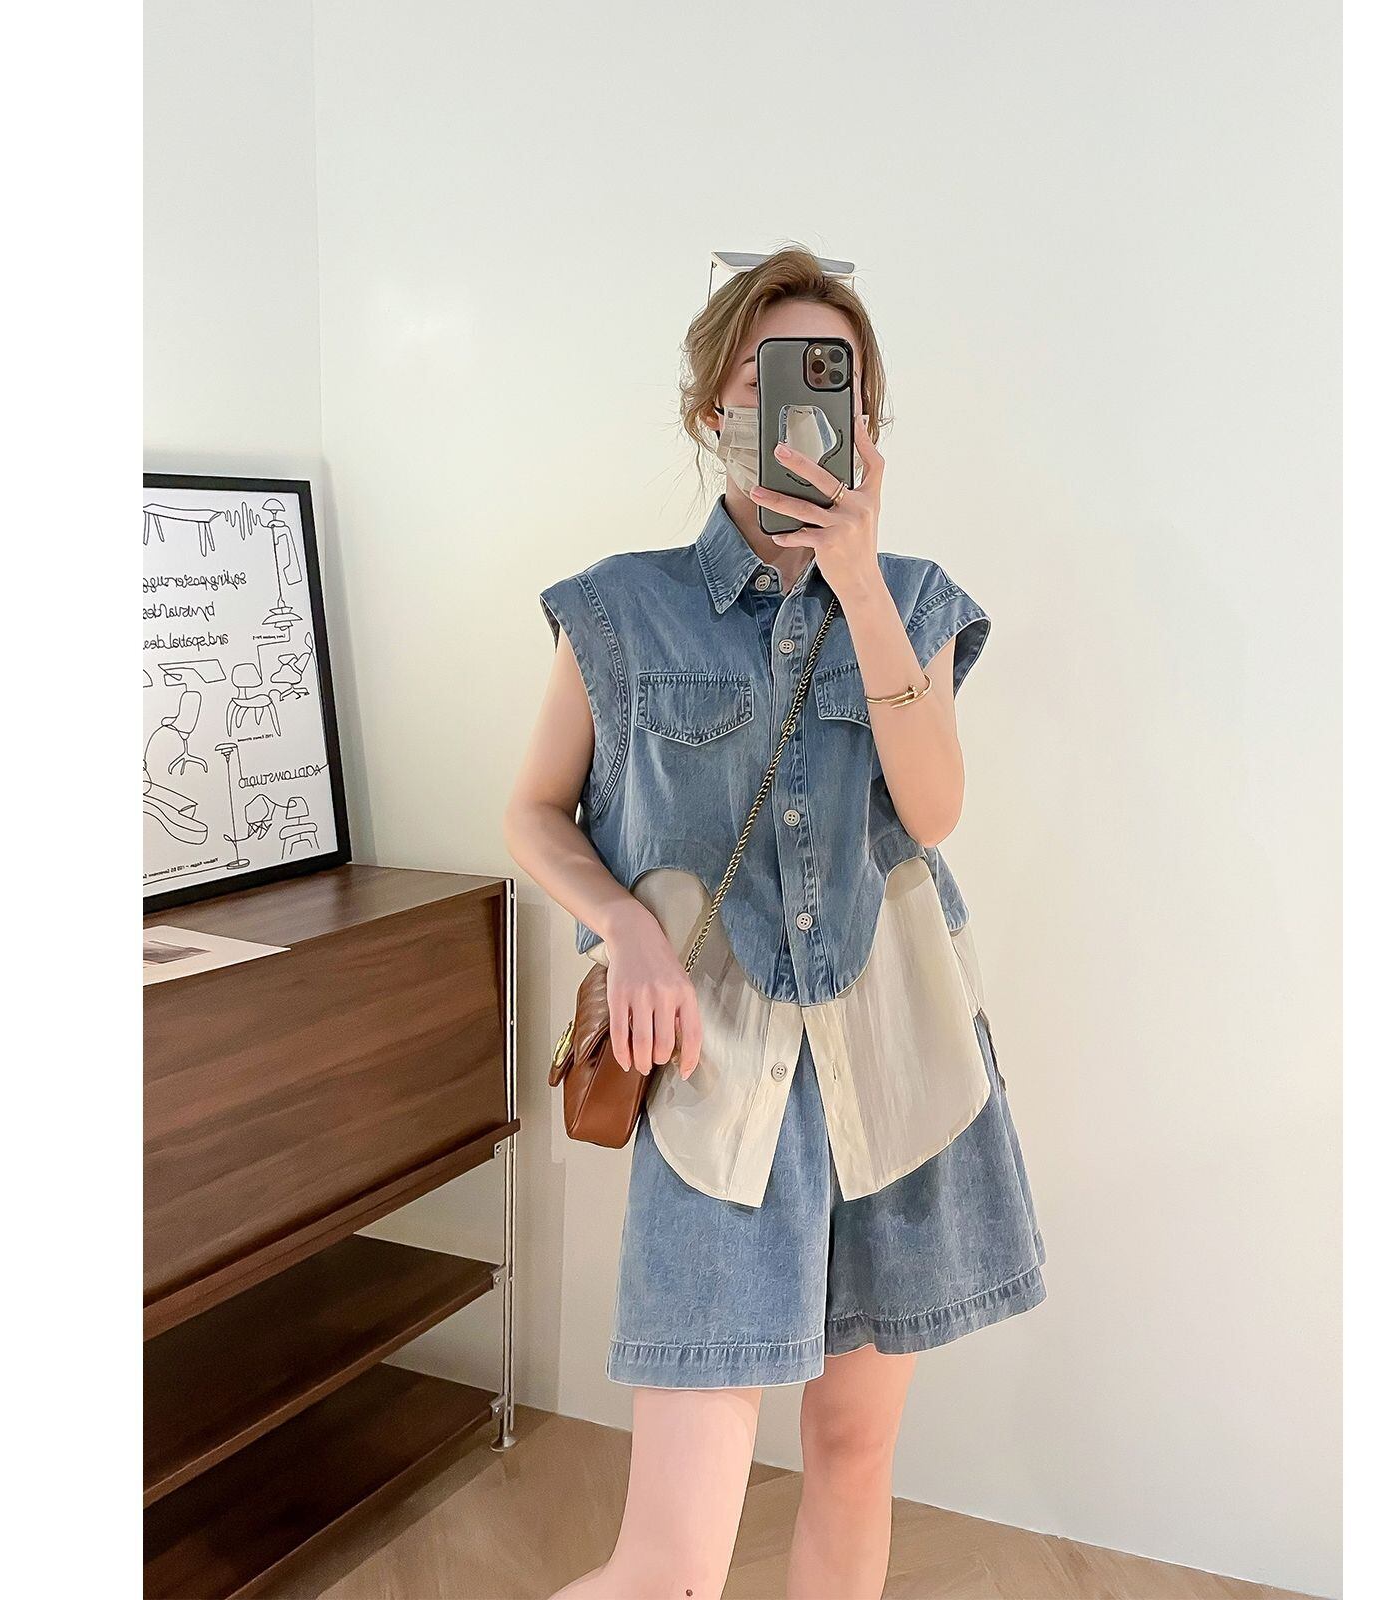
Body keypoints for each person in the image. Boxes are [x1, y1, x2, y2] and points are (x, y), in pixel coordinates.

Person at [504, 246, 1046, 1600]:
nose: (804, 410)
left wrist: (857, 582)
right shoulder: (620, 610)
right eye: (770, 380)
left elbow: (933, 811)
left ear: (866, 420)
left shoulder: (911, 601)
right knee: (668, 1561)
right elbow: (534, 813)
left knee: (852, 1452)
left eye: (834, 384)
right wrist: (623, 928)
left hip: (892, 1081)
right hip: (718, 1085)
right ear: (714, 411)